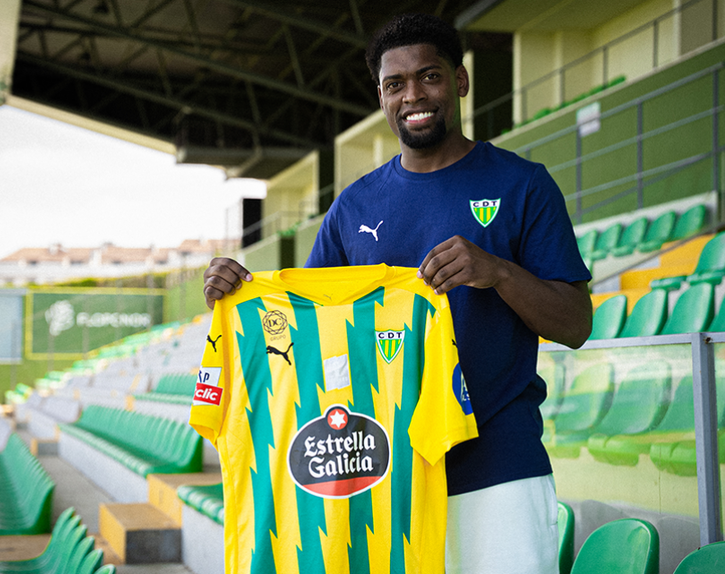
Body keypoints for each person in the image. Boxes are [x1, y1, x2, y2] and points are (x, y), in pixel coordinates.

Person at [202, 12, 592, 574]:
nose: (414, 96)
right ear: (380, 95)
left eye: (429, 77)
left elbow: (576, 324)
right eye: (395, 85)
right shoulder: (353, 207)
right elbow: (306, 330)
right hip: (382, 478)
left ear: (459, 80)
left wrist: (498, 273)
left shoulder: (522, 184)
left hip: (497, 468)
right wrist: (241, 292)